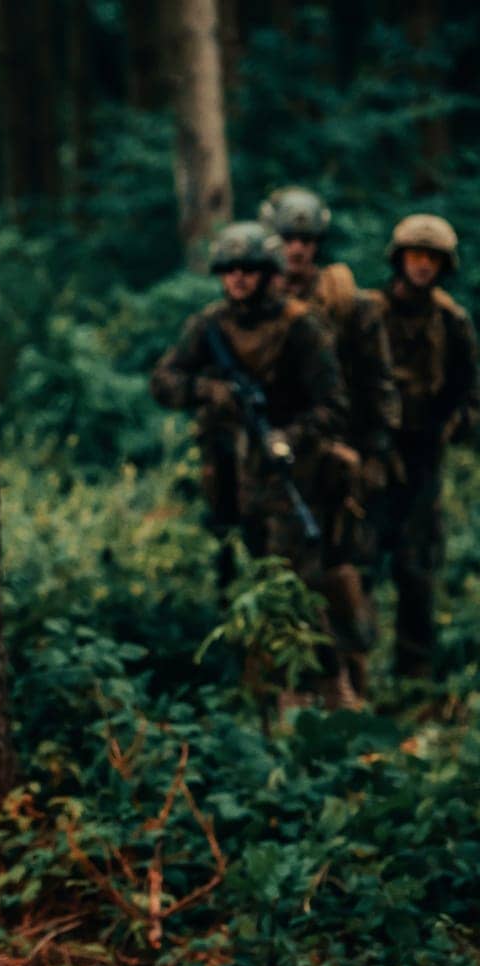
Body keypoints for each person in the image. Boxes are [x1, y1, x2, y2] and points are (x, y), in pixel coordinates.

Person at [151, 221, 355, 706]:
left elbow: (334, 405)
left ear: (269, 274)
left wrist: (290, 436)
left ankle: (321, 688)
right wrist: (209, 391)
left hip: (289, 476)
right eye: (230, 270)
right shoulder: (209, 327)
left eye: (249, 270)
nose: (238, 279)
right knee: (238, 583)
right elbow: (164, 381)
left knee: (294, 586)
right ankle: (252, 691)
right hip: (226, 475)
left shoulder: (301, 326)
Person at [259, 186, 399, 696]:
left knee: (345, 571)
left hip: (340, 464)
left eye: (306, 239)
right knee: (282, 574)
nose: (297, 249)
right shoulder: (258, 304)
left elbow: (378, 384)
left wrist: (374, 454)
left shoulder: (348, 304)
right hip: (279, 463)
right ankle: (290, 690)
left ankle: (354, 690)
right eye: (288, 238)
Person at [363, 214, 479, 678]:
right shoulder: (369, 312)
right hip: (373, 451)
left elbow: (471, 393)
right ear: (399, 259)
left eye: (432, 258)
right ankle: (352, 674)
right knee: (359, 560)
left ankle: (413, 677)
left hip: (424, 454)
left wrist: (453, 425)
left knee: (417, 567)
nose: (423, 266)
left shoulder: (453, 322)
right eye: (415, 256)